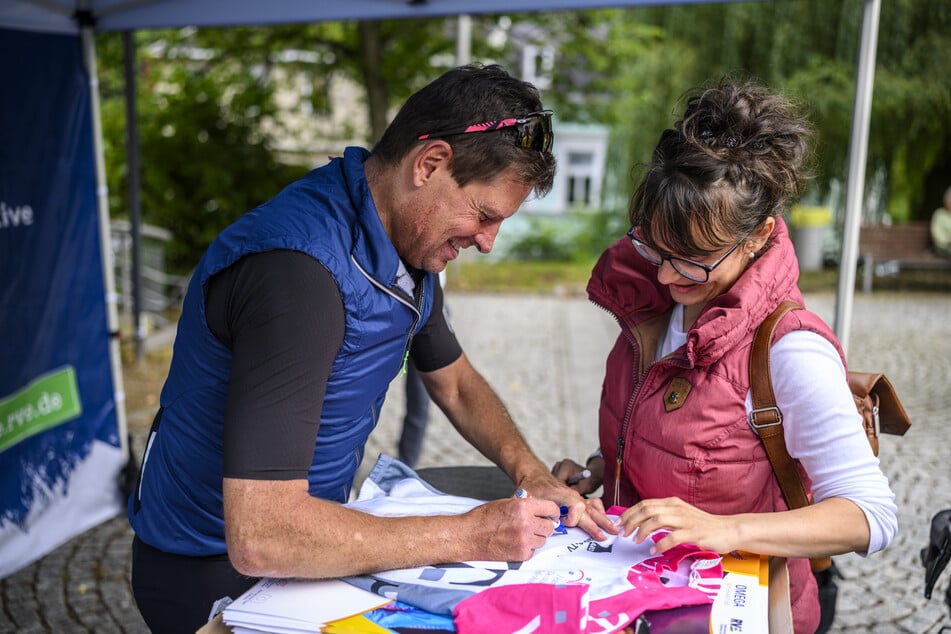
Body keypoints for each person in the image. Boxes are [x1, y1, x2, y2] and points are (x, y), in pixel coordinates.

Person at [127, 63, 616, 633]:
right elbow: (262, 535)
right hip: (211, 567)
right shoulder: (298, 276)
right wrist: (472, 534)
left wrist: (530, 472)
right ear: (429, 164)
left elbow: (453, 380)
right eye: (484, 216)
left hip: (309, 538)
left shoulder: (404, 241)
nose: (487, 242)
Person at [552, 79, 897, 633]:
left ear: (759, 236)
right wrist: (598, 471)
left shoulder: (790, 349)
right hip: (640, 598)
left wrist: (724, 528)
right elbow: (672, 437)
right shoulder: (654, 301)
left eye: (692, 260)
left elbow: (871, 516)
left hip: (731, 612)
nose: (665, 274)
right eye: (656, 247)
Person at [397, 270, 446, 468]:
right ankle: (349, 476)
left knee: (420, 401)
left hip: (430, 297)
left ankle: (405, 469)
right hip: (388, 294)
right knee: (361, 397)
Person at [930, 186, 951, 257]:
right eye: (950, 200)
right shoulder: (939, 214)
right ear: (945, 201)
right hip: (943, 247)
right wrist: (948, 240)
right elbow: (936, 234)